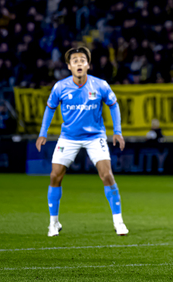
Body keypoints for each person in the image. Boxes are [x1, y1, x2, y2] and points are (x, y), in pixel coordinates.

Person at [36, 47, 128, 237]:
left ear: (88, 64)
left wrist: (117, 132)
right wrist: (42, 133)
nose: (79, 63)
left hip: (95, 137)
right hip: (68, 138)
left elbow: (114, 105)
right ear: (69, 66)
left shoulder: (100, 85)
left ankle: (118, 221)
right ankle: (53, 223)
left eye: (82, 60)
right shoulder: (60, 87)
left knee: (107, 176)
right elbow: (50, 109)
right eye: (75, 61)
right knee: (55, 176)